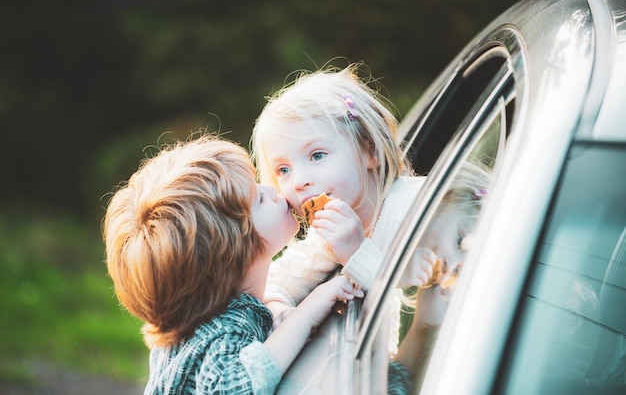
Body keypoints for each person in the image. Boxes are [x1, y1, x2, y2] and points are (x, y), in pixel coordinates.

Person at [102, 134, 363, 394]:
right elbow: (233, 389)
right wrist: (305, 316)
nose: (272, 190)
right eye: (259, 199)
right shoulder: (228, 327)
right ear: (236, 254)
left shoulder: (197, 321)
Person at [250, 63, 433, 354]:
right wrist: (279, 310)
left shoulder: (422, 204)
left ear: (369, 150)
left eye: (317, 154)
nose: (299, 181)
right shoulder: (326, 239)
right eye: (283, 170)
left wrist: (356, 252)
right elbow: (274, 285)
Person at [390, 160, 493, 393]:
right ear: (448, 197)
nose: (448, 267)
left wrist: (424, 327)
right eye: (459, 240)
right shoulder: (380, 214)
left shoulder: (397, 292)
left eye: (458, 272)